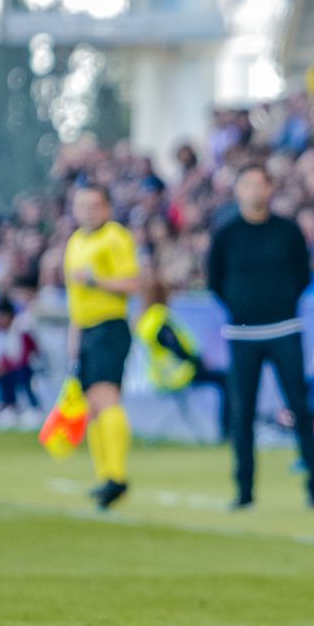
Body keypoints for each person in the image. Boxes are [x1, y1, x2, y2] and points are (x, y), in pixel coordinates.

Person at [206, 163, 314, 510]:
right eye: (248, 184)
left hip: (285, 330)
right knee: (242, 413)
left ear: (271, 189)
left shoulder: (288, 231)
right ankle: (244, 491)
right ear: (238, 190)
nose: (255, 191)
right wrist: (239, 307)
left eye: (261, 184)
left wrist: (282, 303)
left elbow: (302, 275)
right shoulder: (226, 234)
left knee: (299, 407)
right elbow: (214, 280)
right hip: (243, 335)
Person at [62, 185, 139, 511]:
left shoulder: (115, 237)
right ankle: (105, 476)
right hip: (86, 330)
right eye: (82, 205)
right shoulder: (75, 241)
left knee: (105, 397)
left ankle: (116, 476)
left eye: (94, 205)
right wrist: (74, 335)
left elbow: (132, 283)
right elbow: (75, 297)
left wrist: (96, 280)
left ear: (107, 208)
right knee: (92, 406)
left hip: (110, 326)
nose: (88, 211)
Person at [136, 274, 229, 442]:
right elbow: (177, 350)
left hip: (161, 377)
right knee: (227, 380)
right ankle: (228, 433)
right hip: (179, 375)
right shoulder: (161, 319)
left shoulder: (146, 319)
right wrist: (199, 362)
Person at [0, 294, 41, 428]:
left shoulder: (20, 328)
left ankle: (34, 409)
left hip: (30, 366)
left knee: (21, 374)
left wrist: (3, 365)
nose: (0, 319)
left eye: (2, 316)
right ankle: (9, 406)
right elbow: (6, 355)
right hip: (15, 367)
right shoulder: (1, 331)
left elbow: (23, 357)